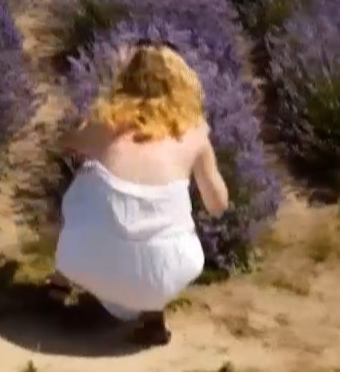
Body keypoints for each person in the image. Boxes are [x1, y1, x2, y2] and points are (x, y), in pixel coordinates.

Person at [48, 41, 229, 348]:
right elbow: (217, 206)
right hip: (165, 272)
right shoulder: (195, 131)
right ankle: (151, 314)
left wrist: (86, 123)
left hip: (87, 263)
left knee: (89, 175)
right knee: (163, 211)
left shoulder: (107, 123)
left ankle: (61, 281)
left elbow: (65, 142)